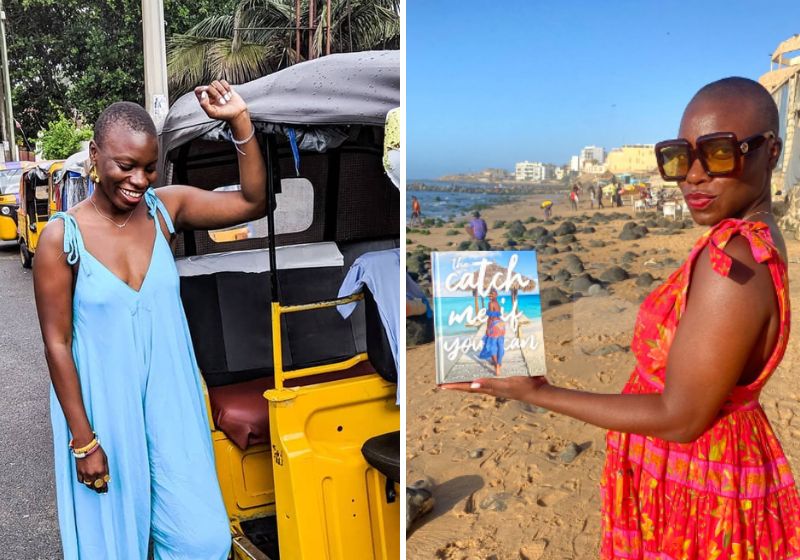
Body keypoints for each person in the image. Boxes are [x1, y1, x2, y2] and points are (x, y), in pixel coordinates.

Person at [442, 77, 800, 557]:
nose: (693, 176)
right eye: (679, 157)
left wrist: (538, 393)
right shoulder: (752, 238)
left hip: (699, 478)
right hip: (703, 465)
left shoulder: (734, 260)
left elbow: (681, 418)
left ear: (771, 152)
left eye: (718, 153)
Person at [33, 81, 267, 559]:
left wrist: (239, 121)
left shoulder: (164, 210)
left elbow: (252, 202)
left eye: (149, 167)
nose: (139, 180)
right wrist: (83, 441)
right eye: (126, 165)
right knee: (113, 546)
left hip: (171, 400)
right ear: (95, 155)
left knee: (202, 539)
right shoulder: (62, 238)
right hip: (103, 408)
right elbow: (57, 344)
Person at [477, 289, 505, 376]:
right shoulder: (498, 304)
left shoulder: (490, 303)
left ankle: (496, 365)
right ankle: (499, 363)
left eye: (492, 294)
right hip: (501, 325)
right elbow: (497, 315)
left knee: (492, 345)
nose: (490, 296)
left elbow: (490, 317)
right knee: (500, 345)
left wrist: (488, 328)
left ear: (496, 295)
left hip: (495, 325)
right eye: (490, 294)